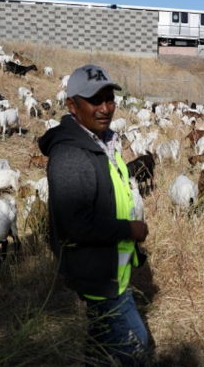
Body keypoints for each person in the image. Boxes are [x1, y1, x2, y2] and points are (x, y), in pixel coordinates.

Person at [39, 64, 150, 366]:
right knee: (136, 348)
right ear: (72, 105)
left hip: (110, 268)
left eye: (109, 98)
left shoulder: (101, 142)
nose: (105, 108)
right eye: (95, 100)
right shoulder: (71, 155)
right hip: (98, 276)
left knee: (101, 345)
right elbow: (77, 224)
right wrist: (131, 229)